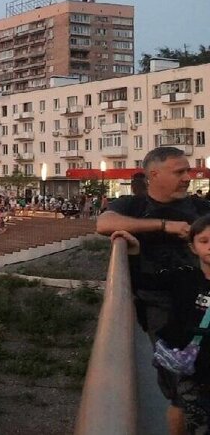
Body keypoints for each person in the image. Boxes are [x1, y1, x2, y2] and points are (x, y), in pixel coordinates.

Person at [98, 146, 210, 434]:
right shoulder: (133, 205)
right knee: (181, 391)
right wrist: (163, 226)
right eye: (180, 171)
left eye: (188, 170)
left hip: (201, 302)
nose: (188, 177)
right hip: (160, 308)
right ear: (154, 174)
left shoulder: (199, 208)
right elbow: (104, 223)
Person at [113, 218, 210, 434]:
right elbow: (142, 282)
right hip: (186, 366)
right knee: (187, 412)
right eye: (204, 241)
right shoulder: (183, 277)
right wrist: (134, 253)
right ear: (193, 247)